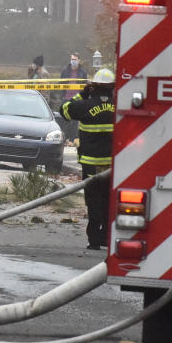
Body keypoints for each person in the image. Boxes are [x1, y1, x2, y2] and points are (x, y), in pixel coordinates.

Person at [61, 68, 115, 250]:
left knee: (93, 201)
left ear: (94, 86)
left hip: (91, 165)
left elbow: (64, 110)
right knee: (109, 200)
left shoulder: (85, 106)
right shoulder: (120, 106)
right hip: (112, 165)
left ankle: (94, 240)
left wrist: (82, 94)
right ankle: (106, 237)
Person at [60, 53, 88, 143]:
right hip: (66, 98)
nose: (73, 61)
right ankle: (64, 140)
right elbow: (60, 84)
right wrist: (62, 96)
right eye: (72, 59)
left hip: (77, 99)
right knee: (64, 120)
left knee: (74, 122)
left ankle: (72, 140)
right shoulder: (65, 70)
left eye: (75, 59)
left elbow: (85, 86)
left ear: (79, 60)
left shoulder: (83, 72)